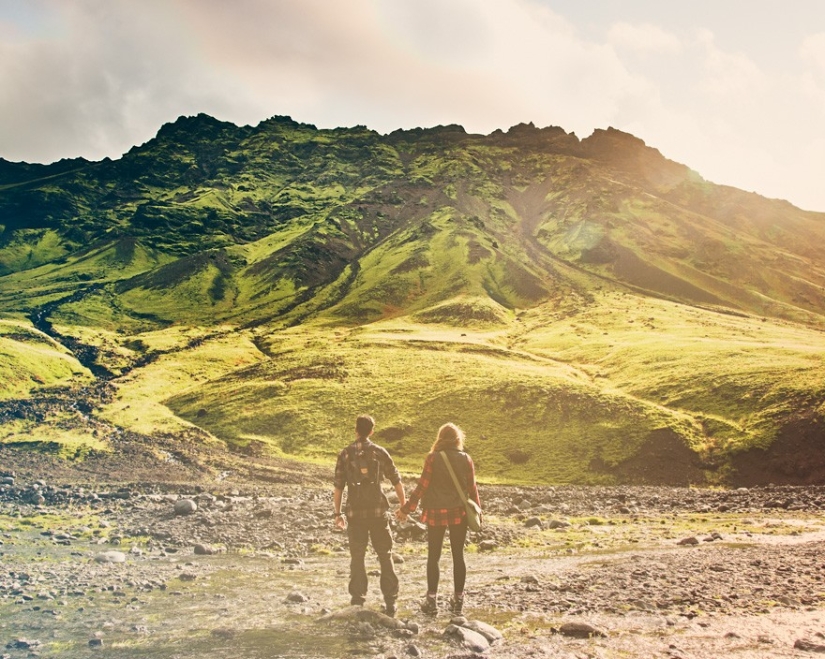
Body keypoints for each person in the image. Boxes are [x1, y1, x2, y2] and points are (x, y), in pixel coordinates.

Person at [396, 422, 480, 616]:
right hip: (459, 512)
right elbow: (472, 487)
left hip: (435, 512)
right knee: (458, 555)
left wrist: (406, 509)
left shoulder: (432, 458)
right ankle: (458, 600)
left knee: (433, 556)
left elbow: (422, 486)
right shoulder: (466, 458)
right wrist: (477, 511)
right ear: (458, 439)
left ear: (440, 438)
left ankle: (431, 601)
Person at [333, 414, 406, 616]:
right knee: (385, 555)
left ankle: (357, 601)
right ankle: (391, 602)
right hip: (378, 513)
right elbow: (396, 480)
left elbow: (338, 487)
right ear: (372, 431)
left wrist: (337, 514)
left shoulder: (345, 454)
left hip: (355, 514)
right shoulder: (379, 452)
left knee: (357, 557)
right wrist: (403, 506)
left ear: (355, 429)